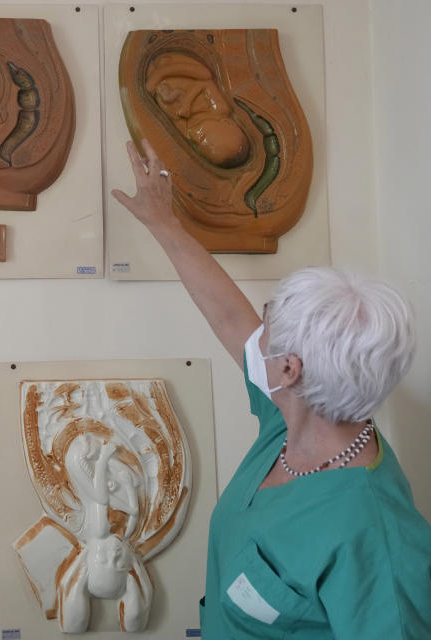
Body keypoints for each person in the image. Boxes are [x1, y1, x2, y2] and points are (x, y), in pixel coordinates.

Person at [111, 139, 431, 638]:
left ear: (289, 370)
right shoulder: (292, 417)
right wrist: (163, 222)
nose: (257, 327)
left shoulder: (374, 535)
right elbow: (226, 314)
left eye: (269, 323)